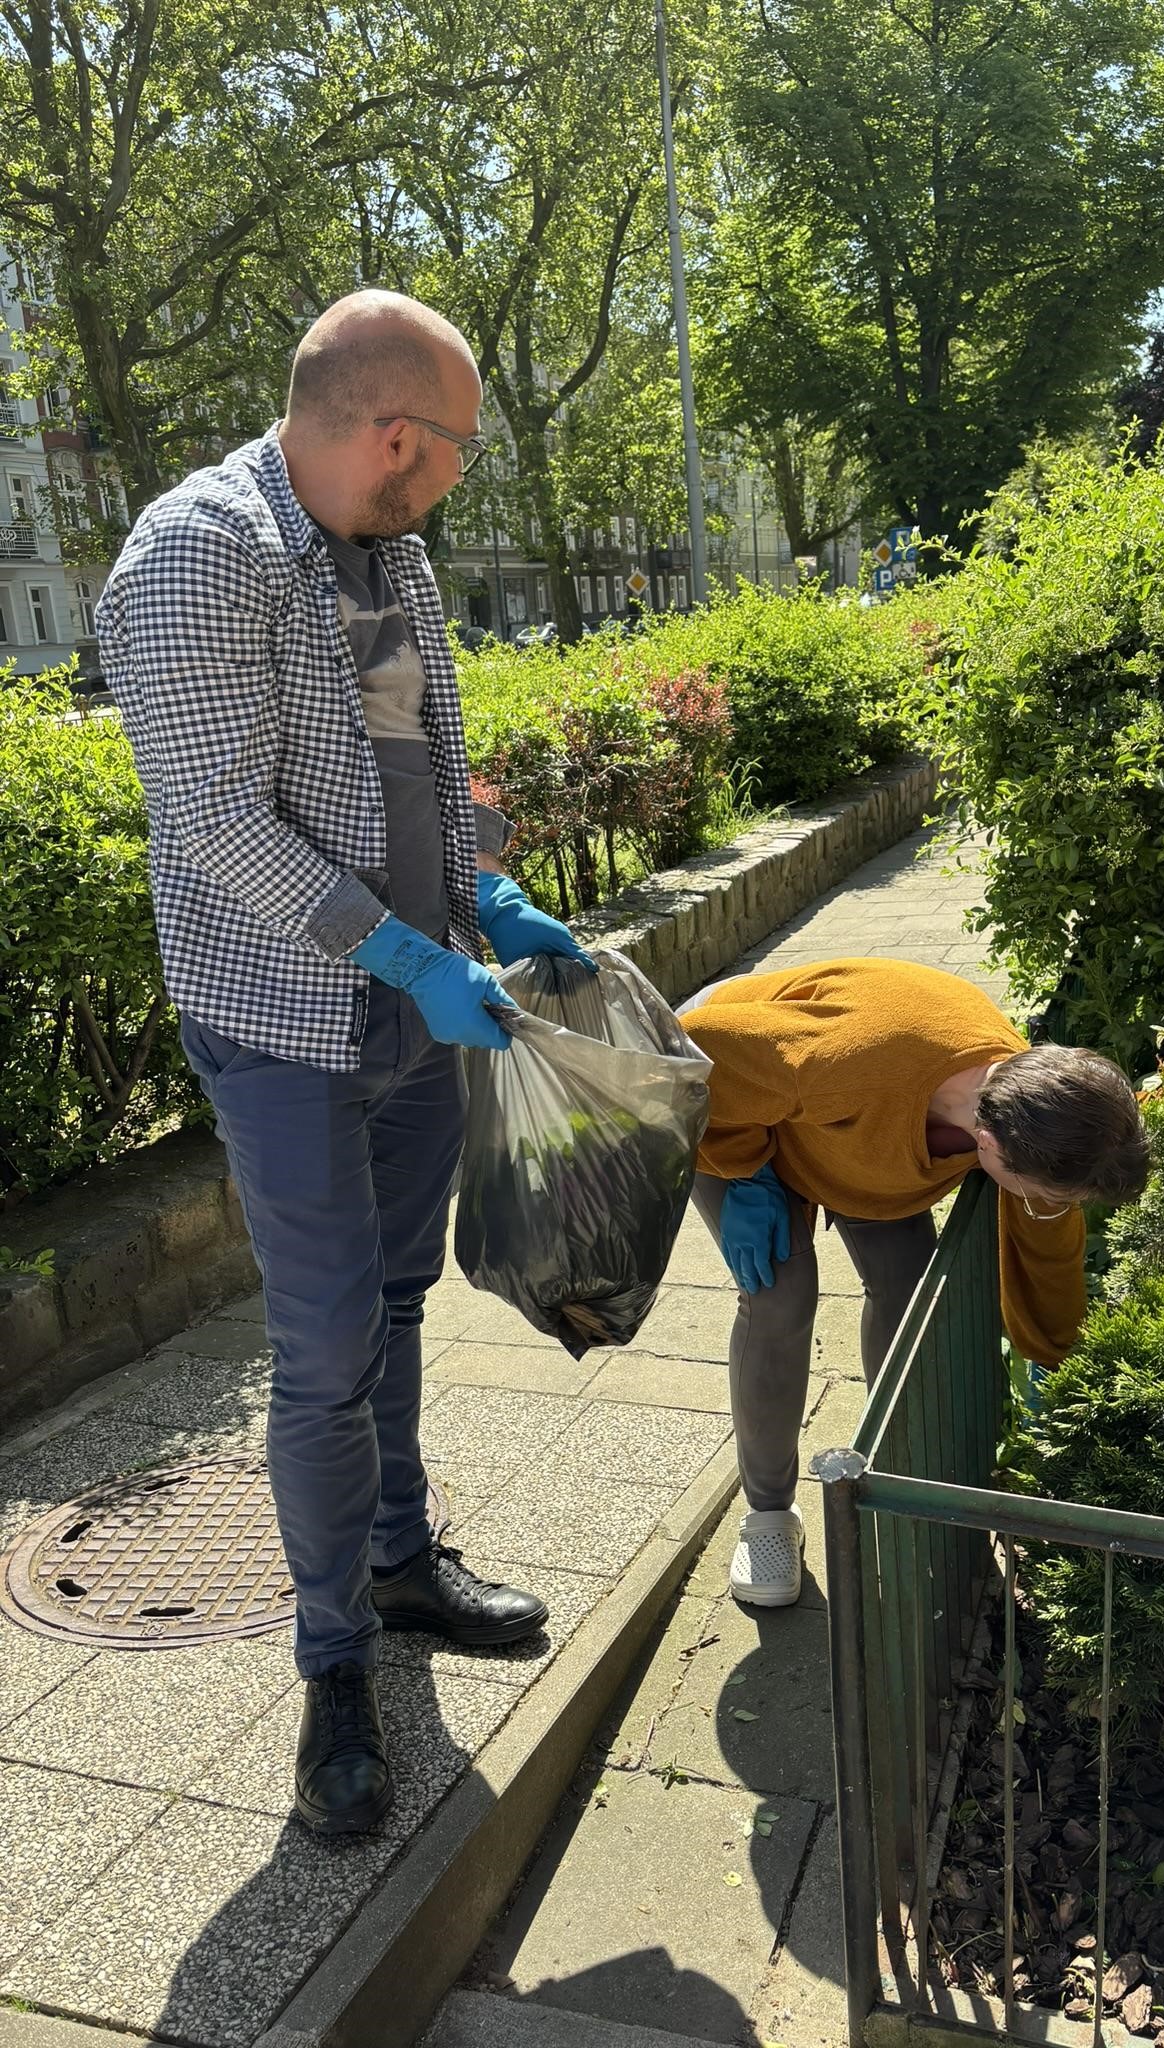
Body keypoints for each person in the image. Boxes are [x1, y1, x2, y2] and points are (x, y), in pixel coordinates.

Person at [98, 291, 594, 1835]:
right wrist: (406, 959)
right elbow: (219, 823)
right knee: (321, 1357)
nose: (455, 479)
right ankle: (332, 1670)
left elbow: (417, 765)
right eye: (453, 451)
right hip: (289, 1030)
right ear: (397, 436)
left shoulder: (390, 552)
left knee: (396, 1299)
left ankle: (399, 1563)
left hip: (408, 1011)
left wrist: (481, 892)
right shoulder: (197, 555)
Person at [680, 958, 1150, 1608]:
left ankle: (891, 1480)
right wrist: (742, 1171)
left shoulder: (1040, 1116)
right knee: (779, 1295)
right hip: (728, 1095)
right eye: (1043, 1197)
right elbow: (694, 1049)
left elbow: (1047, 1257)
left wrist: (1054, 1367)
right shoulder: (846, 1060)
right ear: (989, 1146)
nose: (1045, 1207)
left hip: (850, 1141)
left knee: (909, 1297)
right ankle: (767, 1516)